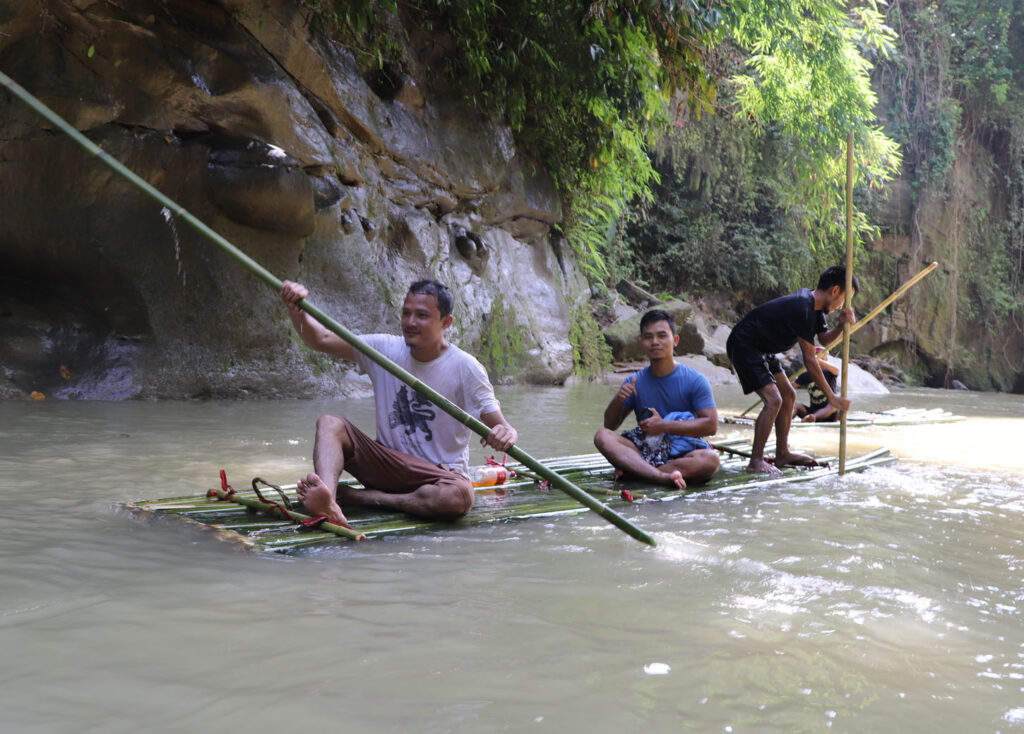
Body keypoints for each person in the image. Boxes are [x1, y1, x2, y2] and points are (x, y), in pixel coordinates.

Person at [280, 278, 518, 527]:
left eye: (422, 315)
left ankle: (365, 498)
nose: (410, 322)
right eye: (406, 313)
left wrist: (506, 434)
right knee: (329, 424)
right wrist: (297, 309)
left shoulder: (466, 367)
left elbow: (502, 427)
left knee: (460, 497)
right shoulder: (385, 349)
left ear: (446, 322)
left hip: (437, 476)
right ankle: (327, 499)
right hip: (387, 465)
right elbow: (322, 339)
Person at [726, 265, 857, 474]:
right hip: (745, 344)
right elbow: (810, 360)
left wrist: (841, 326)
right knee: (774, 400)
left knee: (788, 394)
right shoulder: (803, 308)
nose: (842, 306)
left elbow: (823, 339)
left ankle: (782, 453)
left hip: (764, 349)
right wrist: (831, 397)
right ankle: (756, 461)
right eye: (844, 299)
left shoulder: (815, 309)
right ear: (834, 291)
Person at [594, 309, 720, 489]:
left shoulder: (696, 380)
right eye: (648, 337)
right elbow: (609, 426)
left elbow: (711, 426)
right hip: (647, 449)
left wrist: (664, 426)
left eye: (662, 336)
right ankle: (660, 477)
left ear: (675, 340)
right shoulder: (634, 381)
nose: (655, 342)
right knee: (602, 436)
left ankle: (637, 471)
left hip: (684, 453)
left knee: (710, 460)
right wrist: (618, 400)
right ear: (641, 342)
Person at [793, 347, 841, 423]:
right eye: (817, 355)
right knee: (794, 405)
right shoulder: (806, 374)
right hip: (812, 411)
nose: (819, 357)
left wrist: (818, 360)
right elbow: (790, 387)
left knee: (835, 404)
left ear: (826, 358)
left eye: (822, 355)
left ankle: (812, 418)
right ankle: (787, 419)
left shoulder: (830, 372)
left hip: (829, 413)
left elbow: (837, 370)